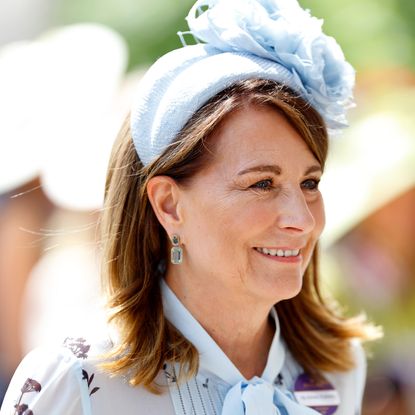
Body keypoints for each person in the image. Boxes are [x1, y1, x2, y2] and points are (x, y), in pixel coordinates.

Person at [0, 0, 380, 414]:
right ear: (168, 204)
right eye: (262, 183)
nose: (302, 219)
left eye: (309, 183)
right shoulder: (77, 379)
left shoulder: (335, 367)